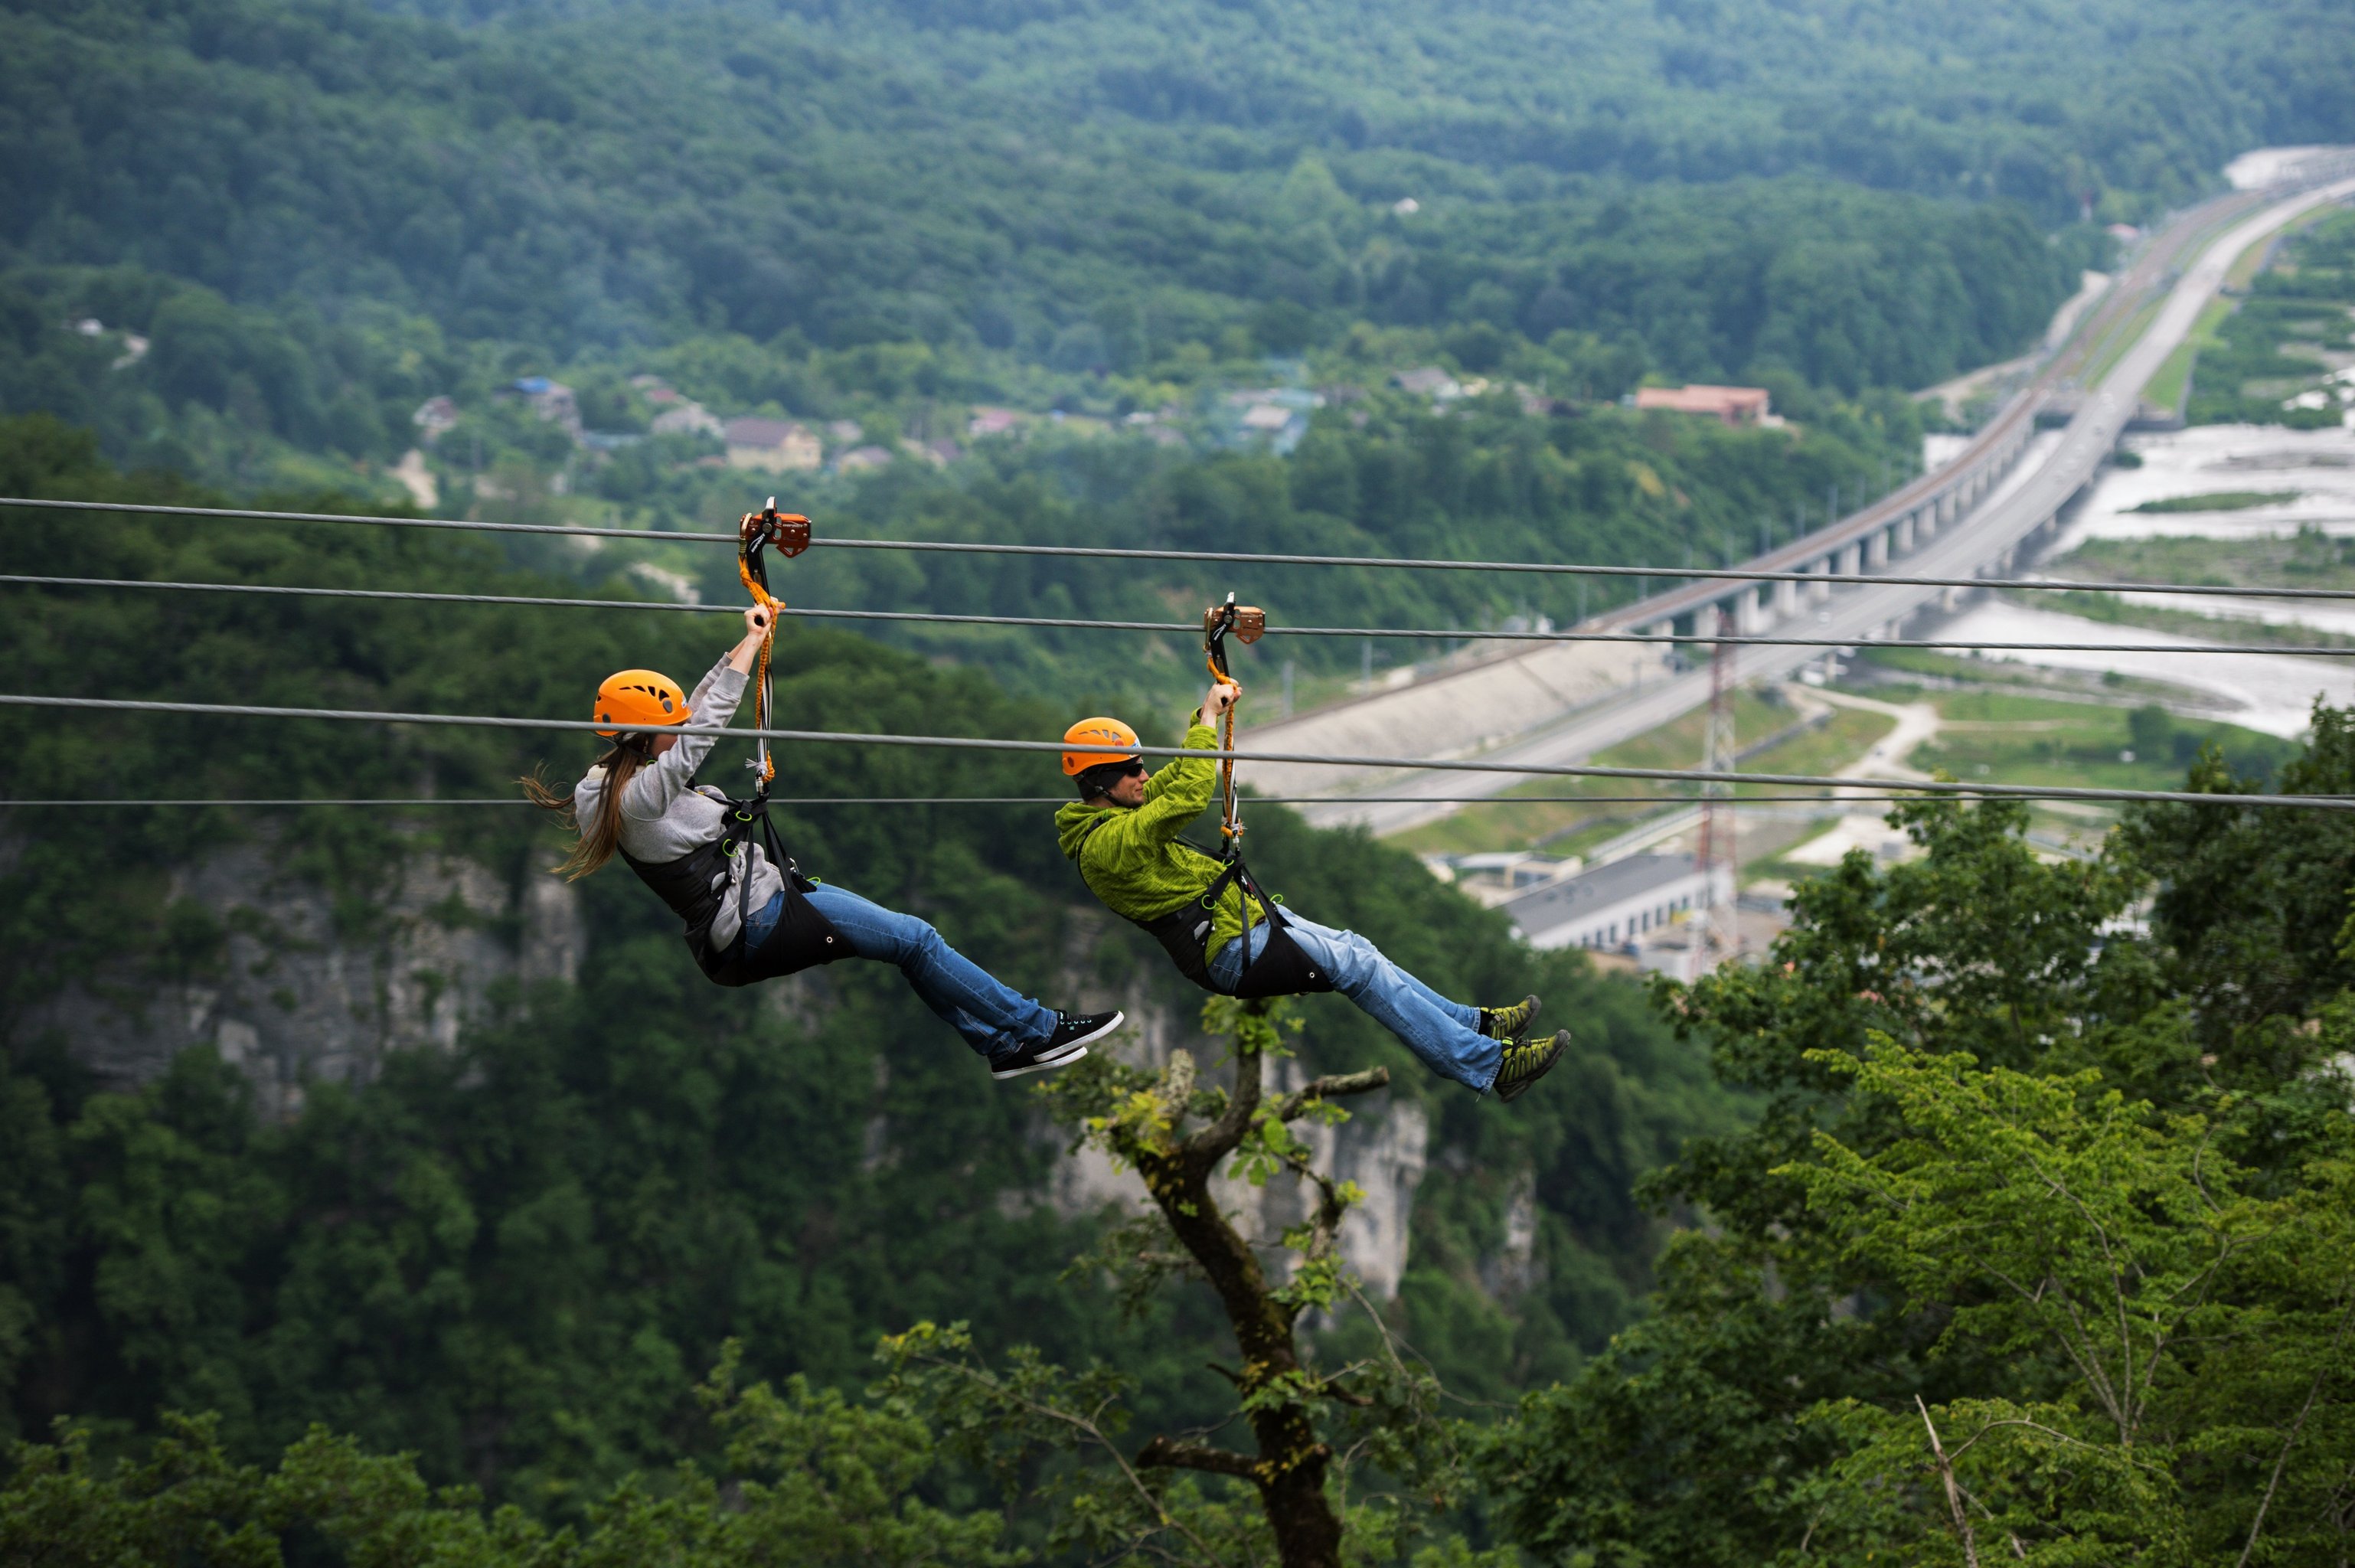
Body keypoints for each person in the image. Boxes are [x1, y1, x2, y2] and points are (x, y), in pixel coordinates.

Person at [526, 604, 1122, 1079]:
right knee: (916, 938)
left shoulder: (604, 786)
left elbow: (693, 712)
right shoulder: (638, 801)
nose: (678, 730)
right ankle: (1038, 1029)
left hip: (766, 903)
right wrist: (752, 650)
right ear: (642, 737)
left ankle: (999, 1043)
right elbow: (700, 734)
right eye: (667, 730)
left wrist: (747, 638)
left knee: (908, 946)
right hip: (760, 920)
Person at [1053, 678, 1567, 1101]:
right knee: (1358, 969)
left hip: (1245, 923)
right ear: (1100, 784)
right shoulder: (1105, 846)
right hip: (1229, 950)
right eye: (1131, 770)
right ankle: (1489, 1067)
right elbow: (1187, 797)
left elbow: (1170, 783)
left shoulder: (1123, 812)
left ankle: (1474, 1026)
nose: (1143, 775)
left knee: (1357, 948)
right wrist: (1208, 722)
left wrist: (1202, 715)